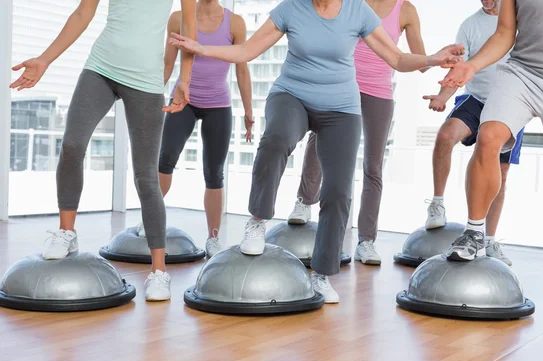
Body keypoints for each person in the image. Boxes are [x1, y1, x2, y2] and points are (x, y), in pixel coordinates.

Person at [169, 0, 463, 303]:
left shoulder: (357, 11)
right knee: (277, 138)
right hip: (291, 95)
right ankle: (257, 222)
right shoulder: (292, 8)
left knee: (337, 190)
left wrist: (432, 58)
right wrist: (202, 48)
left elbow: (397, 58)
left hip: (341, 109)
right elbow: (247, 51)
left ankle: (322, 274)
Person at [9, 0, 197, 301]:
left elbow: (189, 28)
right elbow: (84, 11)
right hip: (101, 68)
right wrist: (45, 59)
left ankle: (159, 271)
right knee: (72, 145)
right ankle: (66, 233)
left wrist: (184, 80)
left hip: (146, 80)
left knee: (145, 177)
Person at [441, 0, 543, 317]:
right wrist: (472, 65)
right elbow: (504, 34)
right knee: (488, 136)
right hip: (522, 75)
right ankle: (475, 231)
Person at [286, 0, 427, 266]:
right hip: (341, 83)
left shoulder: (406, 10)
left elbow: (419, 61)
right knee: (318, 141)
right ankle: (304, 202)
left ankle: (366, 241)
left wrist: (438, 59)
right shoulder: (351, 4)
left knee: (373, 166)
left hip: (379, 92)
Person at [137, 0, 254, 259]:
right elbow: (168, 64)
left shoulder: (235, 23)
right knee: (165, 159)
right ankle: (149, 221)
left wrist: (248, 112)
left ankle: (213, 238)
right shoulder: (177, 18)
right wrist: (153, 101)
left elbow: (242, 70)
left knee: (214, 173)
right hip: (182, 102)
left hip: (219, 105)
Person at [422, 0, 524, 266]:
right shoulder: (469, 25)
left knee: (500, 172)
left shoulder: (519, 20)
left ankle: (489, 241)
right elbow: (459, 68)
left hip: (511, 103)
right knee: (445, 135)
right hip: (476, 99)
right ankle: (437, 204)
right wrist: (443, 96)